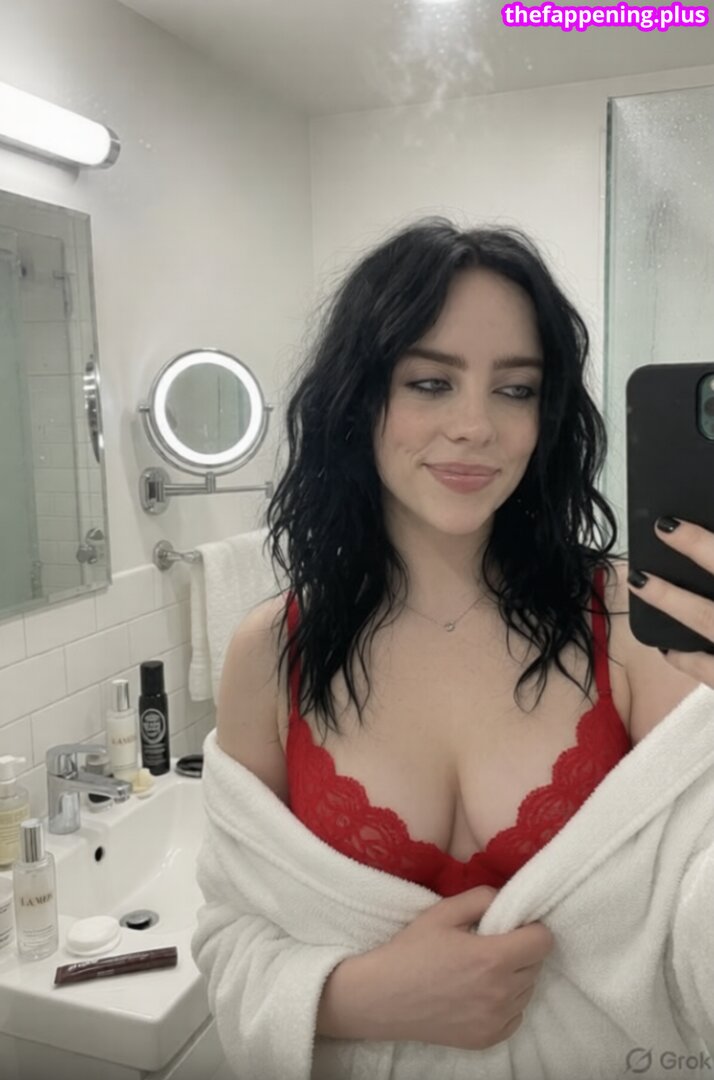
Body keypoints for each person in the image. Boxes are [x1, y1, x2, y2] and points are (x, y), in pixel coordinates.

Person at [198, 217, 714, 1063]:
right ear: (358, 399)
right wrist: (355, 997)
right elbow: (230, 931)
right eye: (431, 383)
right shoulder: (271, 654)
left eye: (516, 390)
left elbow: (699, 908)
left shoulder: (627, 620)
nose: (476, 426)